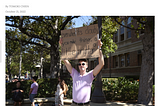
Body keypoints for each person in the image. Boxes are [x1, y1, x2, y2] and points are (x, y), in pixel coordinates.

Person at [59, 38, 104, 106]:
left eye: (83, 64)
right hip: (74, 104)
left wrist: (99, 49)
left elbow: (101, 64)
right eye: (79, 64)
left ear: (87, 66)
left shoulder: (90, 75)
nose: (81, 65)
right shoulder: (74, 73)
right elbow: (65, 60)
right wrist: (62, 46)